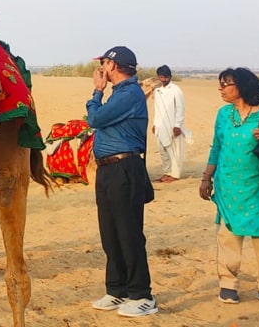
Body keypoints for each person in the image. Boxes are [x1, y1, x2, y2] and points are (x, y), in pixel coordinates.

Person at [199, 67, 259, 306]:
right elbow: (216, 147)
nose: (221, 89)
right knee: (228, 237)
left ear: (243, 87)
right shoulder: (224, 114)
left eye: (226, 84)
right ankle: (228, 284)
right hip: (228, 187)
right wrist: (207, 177)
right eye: (220, 84)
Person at [86, 46, 157, 317]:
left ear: (112, 66)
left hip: (124, 168)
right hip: (108, 169)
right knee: (110, 233)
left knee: (128, 233)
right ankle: (117, 290)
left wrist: (96, 92)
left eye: (103, 63)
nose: (101, 68)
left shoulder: (129, 93)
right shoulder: (121, 94)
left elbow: (95, 118)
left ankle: (142, 294)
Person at [151, 65, 189, 182]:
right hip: (160, 125)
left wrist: (177, 125)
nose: (163, 79)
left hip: (173, 126)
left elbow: (180, 109)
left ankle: (175, 175)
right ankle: (167, 172)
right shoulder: (157, 90)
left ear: (170, 77)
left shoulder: (176, 90)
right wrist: (154, 124)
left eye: (165, 77)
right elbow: (157, 109)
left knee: (174, 151)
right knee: (162, 150)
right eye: (161, 77)